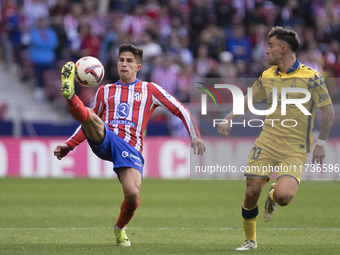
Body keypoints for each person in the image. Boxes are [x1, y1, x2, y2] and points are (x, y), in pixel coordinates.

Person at [53, 44, 206, 246]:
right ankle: (70, 95)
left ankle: (119, 229)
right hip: (106, 138)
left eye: (129, 61)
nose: (124, 64)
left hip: (131, 148)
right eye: (121, 60)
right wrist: (69, 145)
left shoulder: (149, 89)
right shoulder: (105, 90)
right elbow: (88, 122)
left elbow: (180, 108)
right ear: (117, 63)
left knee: (132, 195)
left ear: (138, 67)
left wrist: (194, 135)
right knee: (89, 115)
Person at [218, 26, 334, 250]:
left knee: (284, 197)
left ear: (283, 49)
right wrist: (230, 117)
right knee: (251, 191)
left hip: (295, 147)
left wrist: (321, 143)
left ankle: (272, 196)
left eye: (270, 45)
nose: (266, 50)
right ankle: (250, 240)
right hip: (267, 142)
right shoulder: (267, 75)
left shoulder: (312, 77)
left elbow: (328, 111)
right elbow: (249, 99)